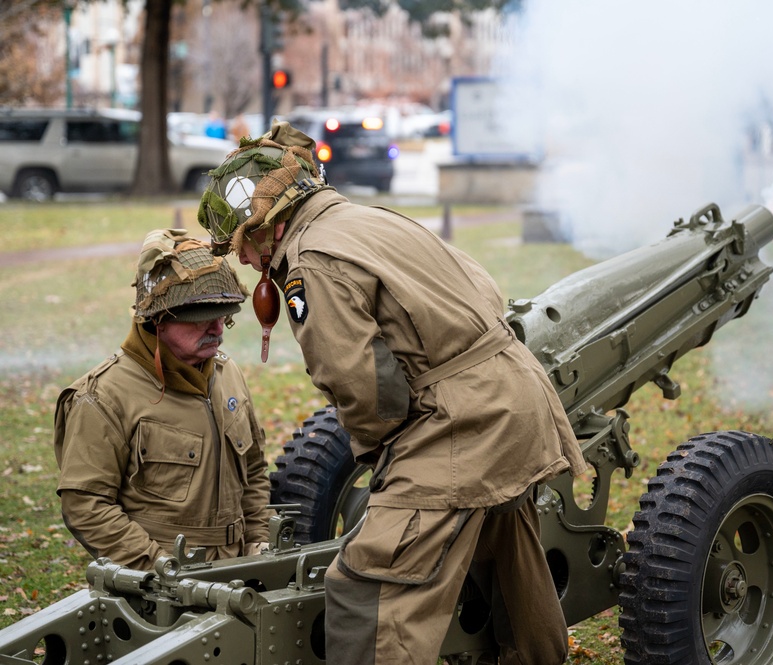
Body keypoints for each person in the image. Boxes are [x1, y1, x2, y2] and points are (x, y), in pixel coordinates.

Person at [197, 122, 586, 664]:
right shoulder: (367, 220)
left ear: (271, 223)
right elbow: (485, 288)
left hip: (464, 422)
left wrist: (389, 457)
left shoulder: (309, 261)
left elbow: (365, 388)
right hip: (514, 397)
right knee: (506, 552)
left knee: (367, 586)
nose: (243, 258)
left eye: (245, 242)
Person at [53, 229, 274, 570]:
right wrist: (159, 567)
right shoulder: (103, 396)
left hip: (240, 572)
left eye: (224, 313)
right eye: (201, 316)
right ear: (158, 319)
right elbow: (86, 504)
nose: (217, 328)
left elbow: (255, 470)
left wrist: (259, 543)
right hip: (159, 588)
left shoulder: (227, 375)